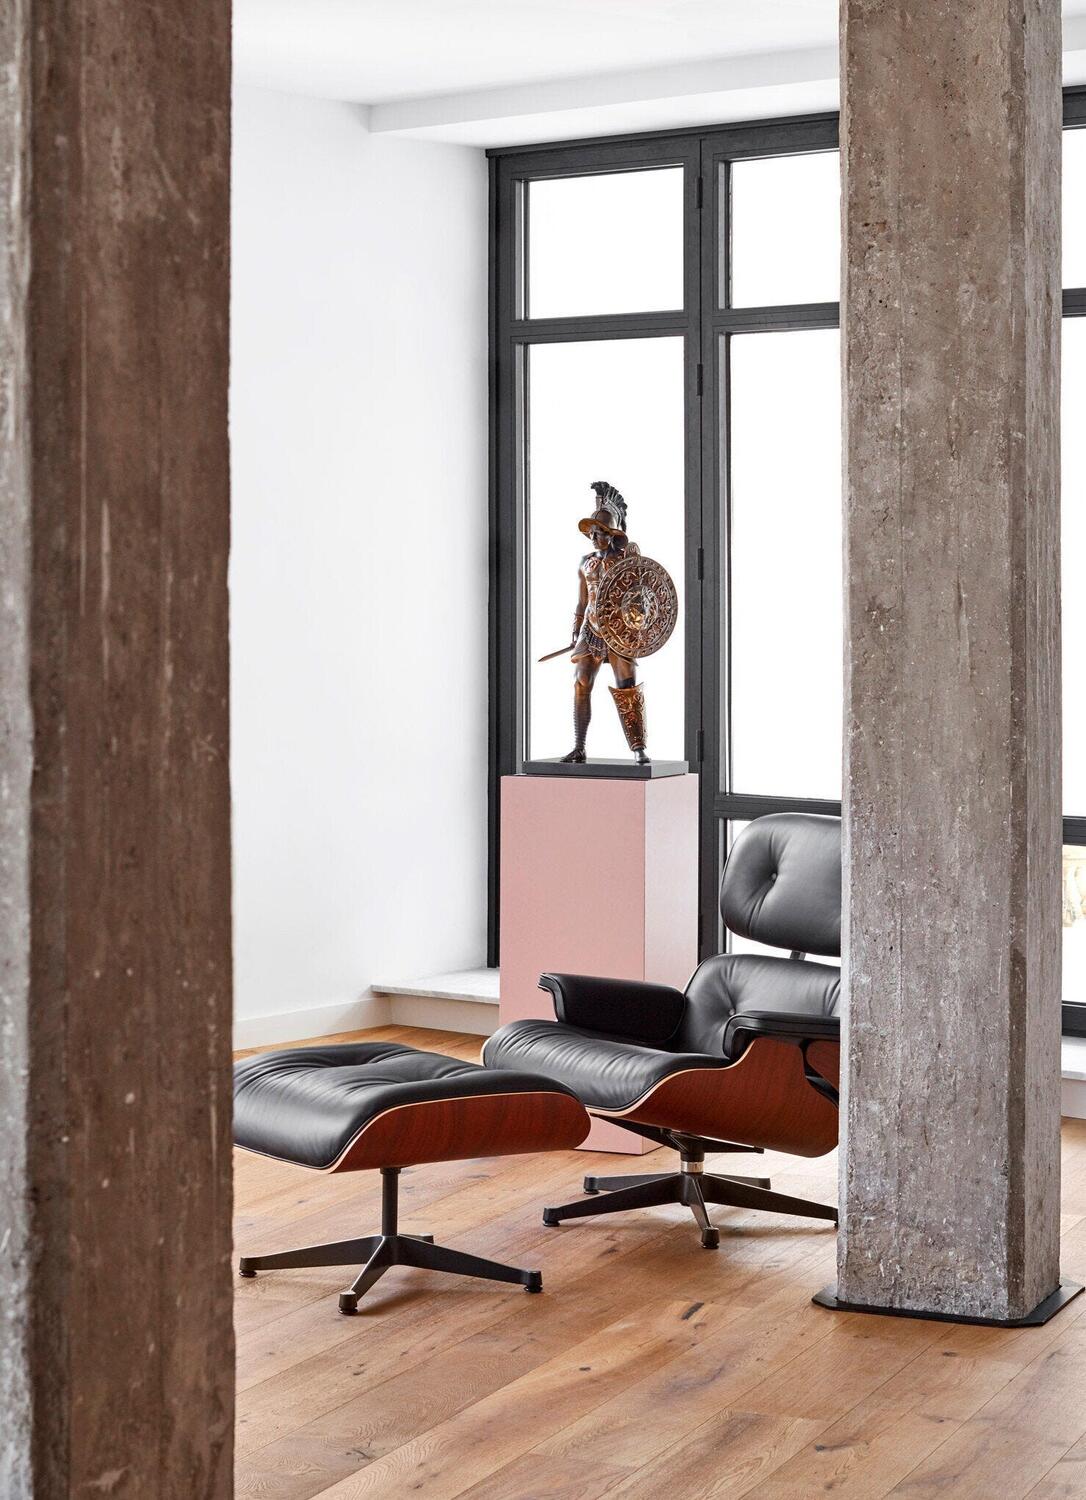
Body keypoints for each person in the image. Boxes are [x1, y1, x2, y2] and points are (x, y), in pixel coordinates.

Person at [561, 481, 648, 765]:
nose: (594, 537)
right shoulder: (585, 563)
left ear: (611, 535)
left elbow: (639, 598)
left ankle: (638, 747)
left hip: (619, 629)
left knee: (627, 686)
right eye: (592, 532)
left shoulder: (626, 560)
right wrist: (575, 630)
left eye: (599, 532)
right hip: (591, 628)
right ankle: (579, 746)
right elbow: (582, 601)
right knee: (581, 682)